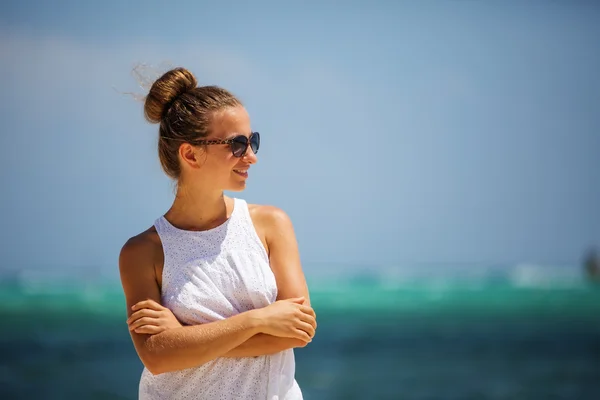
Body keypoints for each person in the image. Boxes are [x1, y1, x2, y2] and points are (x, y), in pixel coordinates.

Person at [118, 67, 317, 400]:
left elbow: (298, 331)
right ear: (191, 154)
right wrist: (258, 320)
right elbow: (157, 356)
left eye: (252, 141)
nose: (251, 156)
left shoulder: (270, 225)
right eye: (237, 145)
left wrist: (185, 340)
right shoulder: (143, 252)